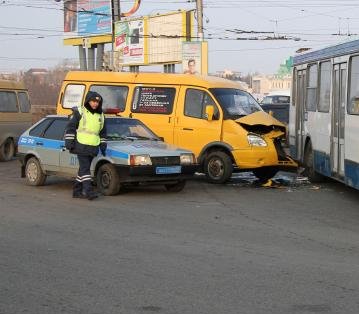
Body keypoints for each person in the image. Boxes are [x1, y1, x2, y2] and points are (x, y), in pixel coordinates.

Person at [64, 91, 107, 200]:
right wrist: (69, 142)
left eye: (97, 102)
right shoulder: (80, 112)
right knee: (85, 169)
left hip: (93, 146)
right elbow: (70, 127)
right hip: (81, 145)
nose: (95, 104)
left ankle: (76, 191)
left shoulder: (101, 115)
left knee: (84, 169)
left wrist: (103, 145)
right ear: (88, 101)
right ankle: (89, 191)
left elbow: (103, 132)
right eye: (93, 101)